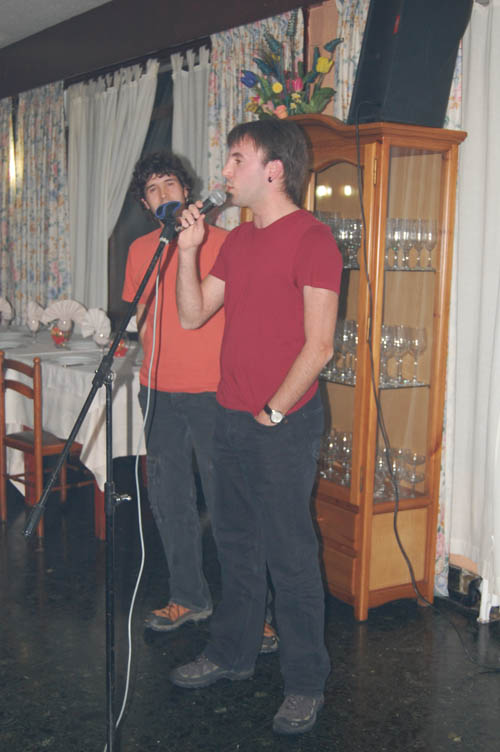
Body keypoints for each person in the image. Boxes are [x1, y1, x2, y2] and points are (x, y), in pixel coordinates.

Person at [170, 120, 342, 736]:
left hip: (282, 423)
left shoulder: (314, 240)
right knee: (236, 545)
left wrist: (272, 410)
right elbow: (193, 314)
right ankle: (232, 653)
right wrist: (188, 251)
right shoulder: (239, 241)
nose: (224, 171)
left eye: (236, 159)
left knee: (290, 557)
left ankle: (305, 683)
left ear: (274, 169)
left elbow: (319, 346)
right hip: (230, 415)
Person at [122, 152, 278, 654]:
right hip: (158, 392)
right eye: (152, 189)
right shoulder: (140, 251)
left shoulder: (227, 243)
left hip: (216, 393)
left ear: (187, 191)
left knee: (232, 505)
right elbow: (142, 317)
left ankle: (255, 613)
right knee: (170, 502)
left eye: (170, 183)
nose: (163, 194)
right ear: (146, 205)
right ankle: (188, 597)